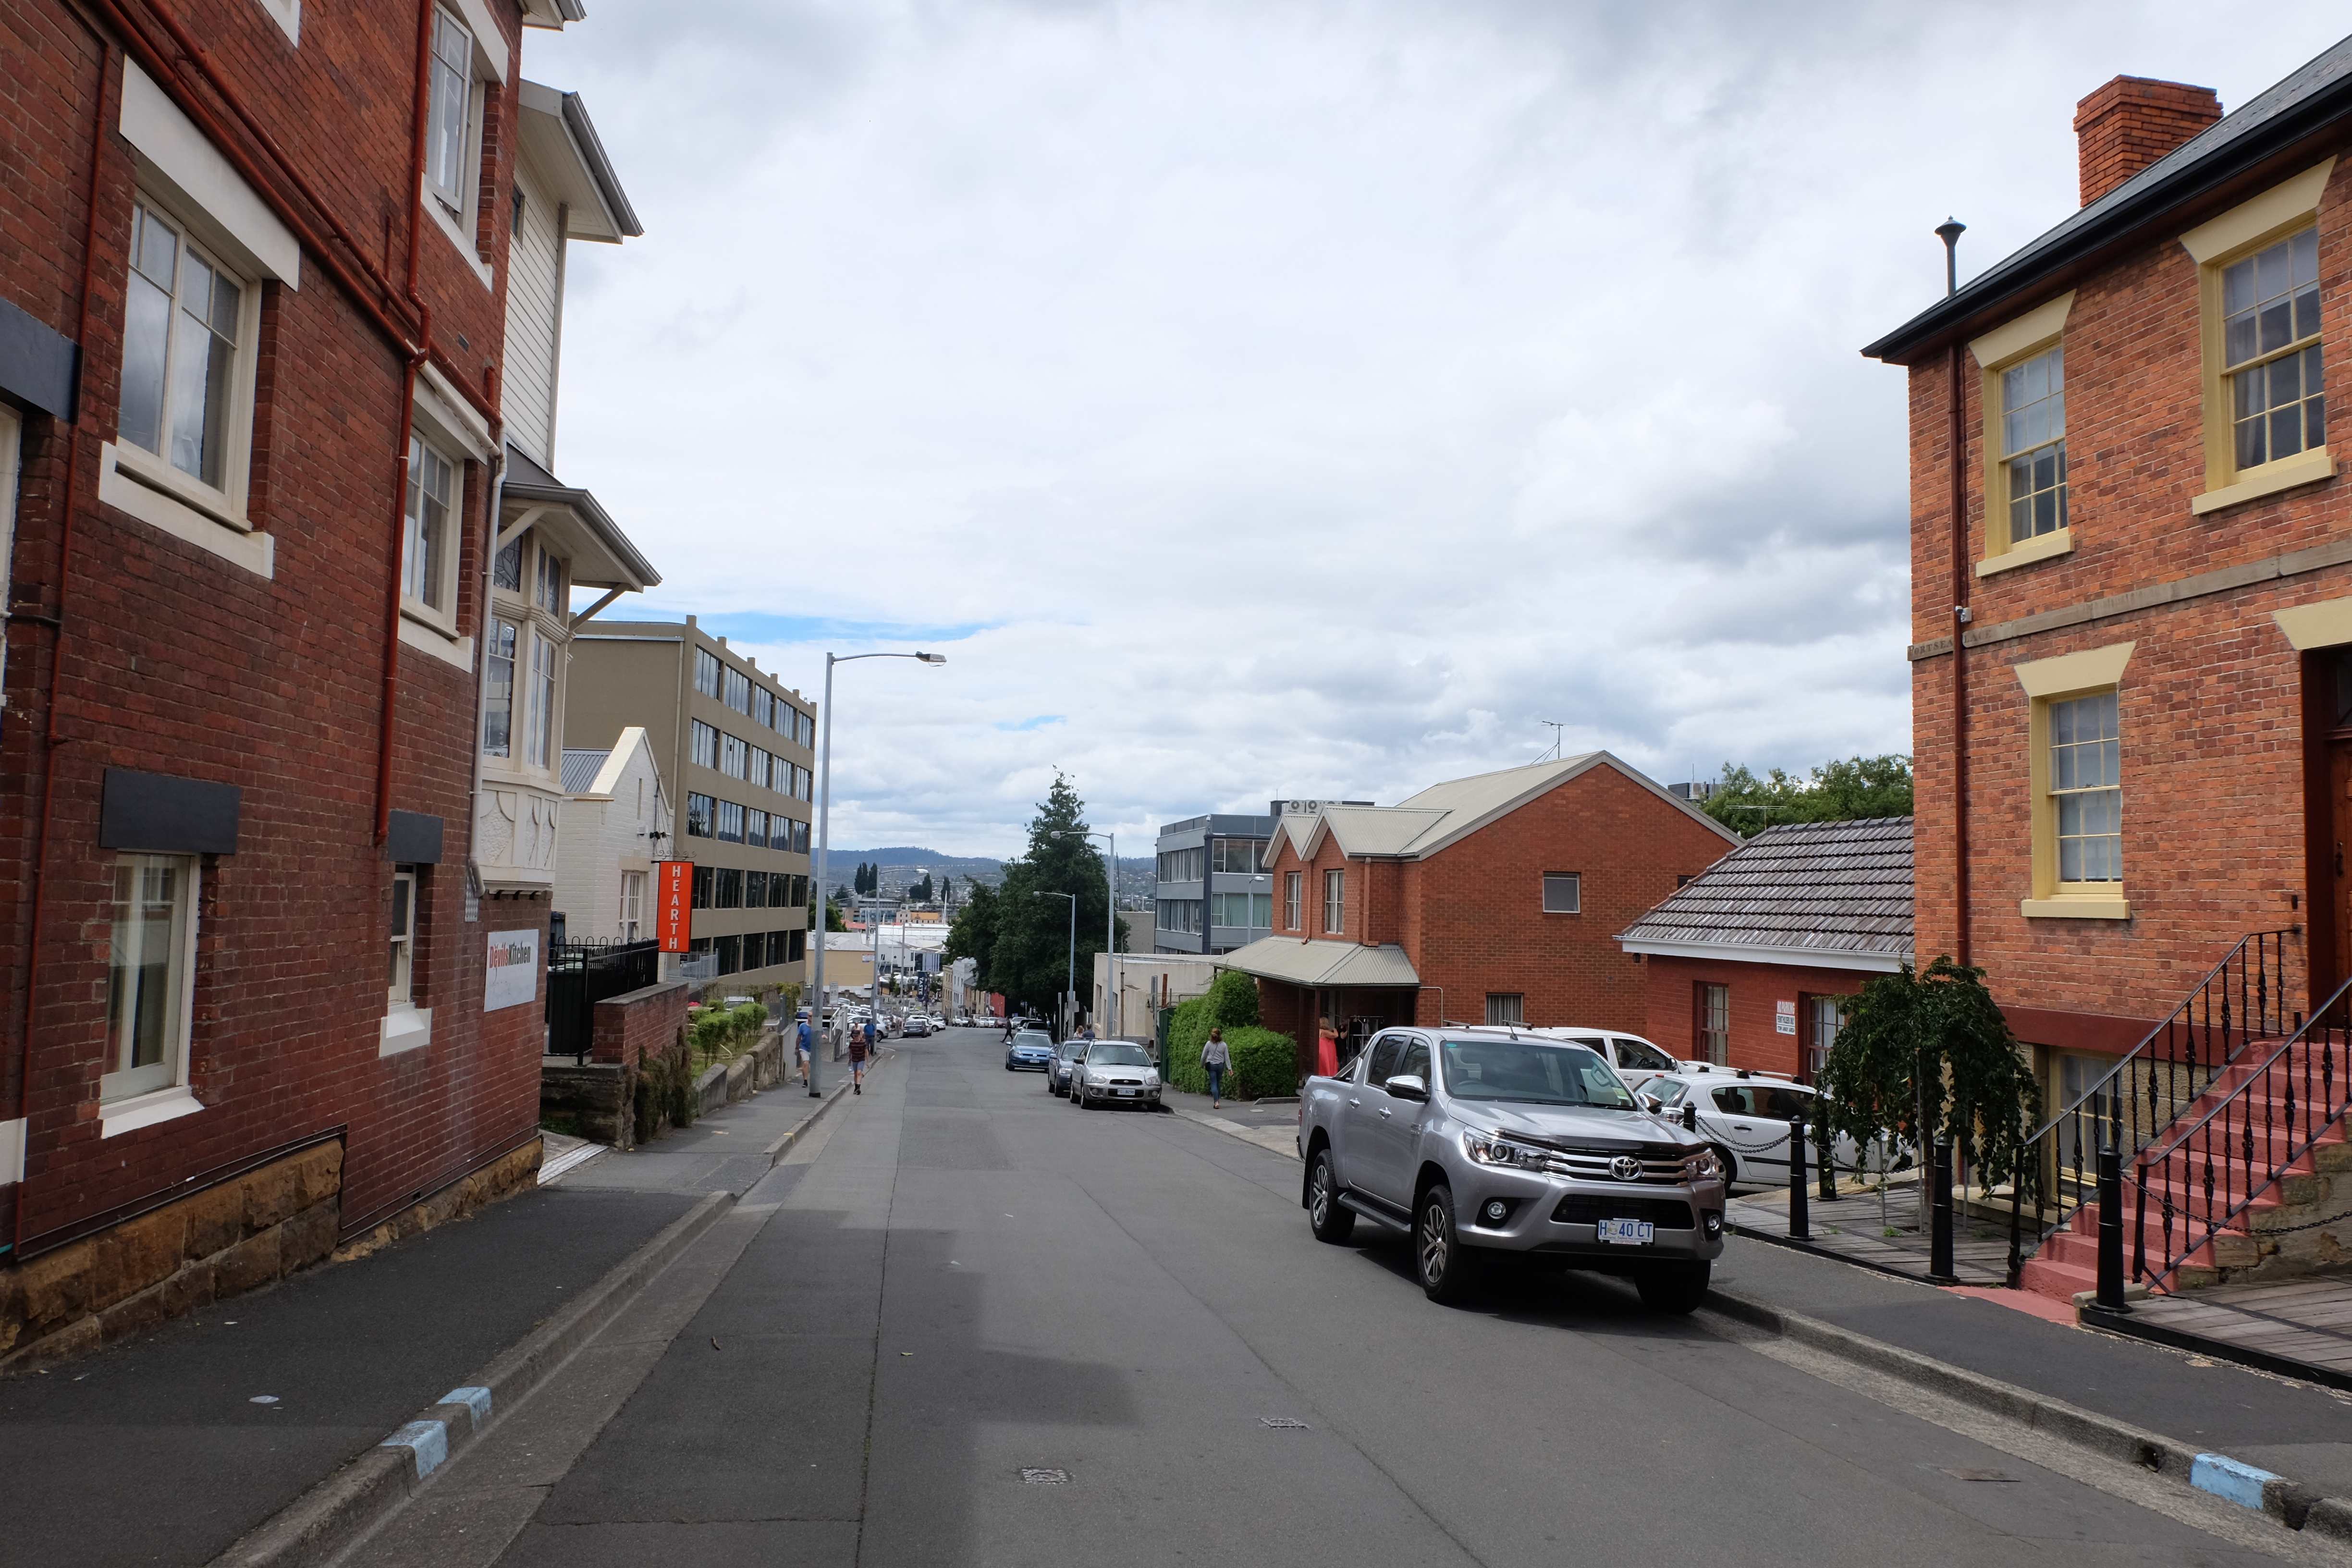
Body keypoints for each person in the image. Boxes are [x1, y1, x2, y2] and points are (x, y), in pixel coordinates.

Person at [1202, 1026, 1231, 1108]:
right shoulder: (1224, 1045)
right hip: (1221, 1066)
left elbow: (1203, 1056)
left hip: (1212, 1066)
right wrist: (1230, 1069)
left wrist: (1202, 1064)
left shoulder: (1209, 1044)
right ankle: (1218, 1100)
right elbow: (1227, 1058)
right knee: (1218, 1083)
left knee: (1213, 1083)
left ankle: (1216, 1102)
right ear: (1220, 1035)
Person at [847, 1020, 870, 1093]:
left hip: (861, 1059)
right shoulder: (852, 1043)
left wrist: (868, 1062)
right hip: (854, 1059)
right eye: (854, 1036)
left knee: (859, 1073)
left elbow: (866, 1052)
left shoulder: (863, 1043)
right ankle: (856, 1087)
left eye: (857, 1036)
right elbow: (850, 1052)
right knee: (855, 1074)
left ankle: (858, 1088)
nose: (855, 1037)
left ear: (859, 1035)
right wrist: (849, 1059)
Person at [795, 1014, 813, 1085]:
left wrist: (823, 1036)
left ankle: (805, 1071)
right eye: (810, 1016)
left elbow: (821, 1034)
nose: (811, 1018)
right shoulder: (802, 1026)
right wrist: (797, 1048)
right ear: (808, 1017)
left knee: (809, 1066)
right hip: (804, 1048)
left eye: (813, 1016)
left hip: (814, 1049)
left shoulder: (817, 1027)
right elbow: (799, 1037)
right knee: (806, 1063)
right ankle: (805, 1081)